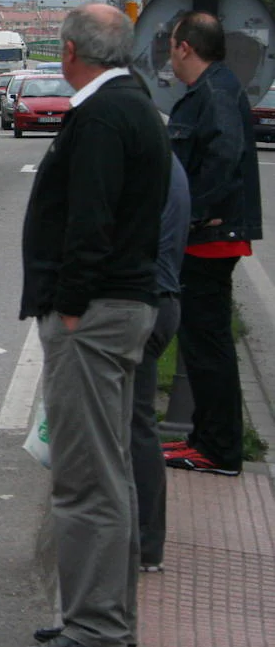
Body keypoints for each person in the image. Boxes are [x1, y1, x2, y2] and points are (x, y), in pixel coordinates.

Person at [17, 3, 171, 647]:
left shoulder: (105, 114)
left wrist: (72, 306)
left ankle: (96, 626)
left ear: (73, 52)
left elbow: (91, 219)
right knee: (109, 473)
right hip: (118, 306)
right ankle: (106, 617)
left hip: (97, 312)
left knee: (85, 478)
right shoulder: (130, 105)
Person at [163, 12, 262, 477]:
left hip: (208, 239)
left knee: (208, 345)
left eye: (171, 44)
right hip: (207, 236)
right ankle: (206, 438)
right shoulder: (214, 88)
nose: (168, 53)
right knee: (205, 342)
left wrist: (195, 213)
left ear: (186, 47)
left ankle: (218, 448)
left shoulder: (215, 92)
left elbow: (224, 155)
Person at [132, 153, 189, 573]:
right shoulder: (165, 159)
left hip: (143, 303)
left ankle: (142, 543)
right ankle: (144, 542)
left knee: (132, 428)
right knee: (137, 424)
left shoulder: (148, 161)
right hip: (160, 299)